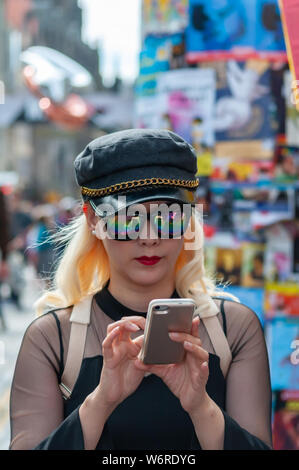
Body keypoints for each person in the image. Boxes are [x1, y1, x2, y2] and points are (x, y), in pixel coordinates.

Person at [9, 129, 272, 450]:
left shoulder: (234, 329)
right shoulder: (51, 338)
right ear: (94, 220)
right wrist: (101, 401)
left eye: (168, 217)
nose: (149, 237)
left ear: (189, 220)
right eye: (127, 219)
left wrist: (201, 407)